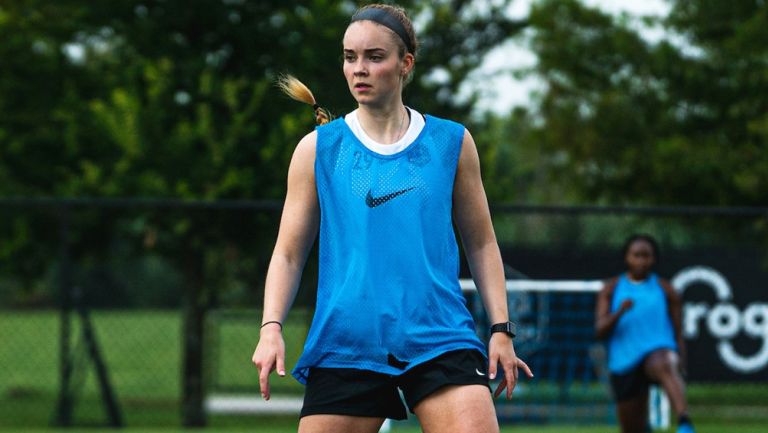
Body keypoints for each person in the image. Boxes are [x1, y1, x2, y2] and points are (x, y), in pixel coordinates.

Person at [251, 3, 532, 432]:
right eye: (350, 57)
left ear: (406, 64)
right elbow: (289, 254)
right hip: (348, 341)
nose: (359, 69)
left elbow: (481, 243)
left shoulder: (451, 142)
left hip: (438, 336)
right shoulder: (318, 149)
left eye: (374, 57)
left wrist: (501, 329)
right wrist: (271, 328)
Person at [595, 234, 695, 433]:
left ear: (653, 259)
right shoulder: (612, 289)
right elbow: (600, 331)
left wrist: (681, 360)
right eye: (636, 255)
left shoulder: (666, 289)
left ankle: (684, 422)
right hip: (624, 361)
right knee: (633, 427)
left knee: (664, 362)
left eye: (646, 256)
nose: (641, 260)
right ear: (627, 258)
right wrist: (620, 312)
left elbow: (677, 331)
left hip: (656, 354)